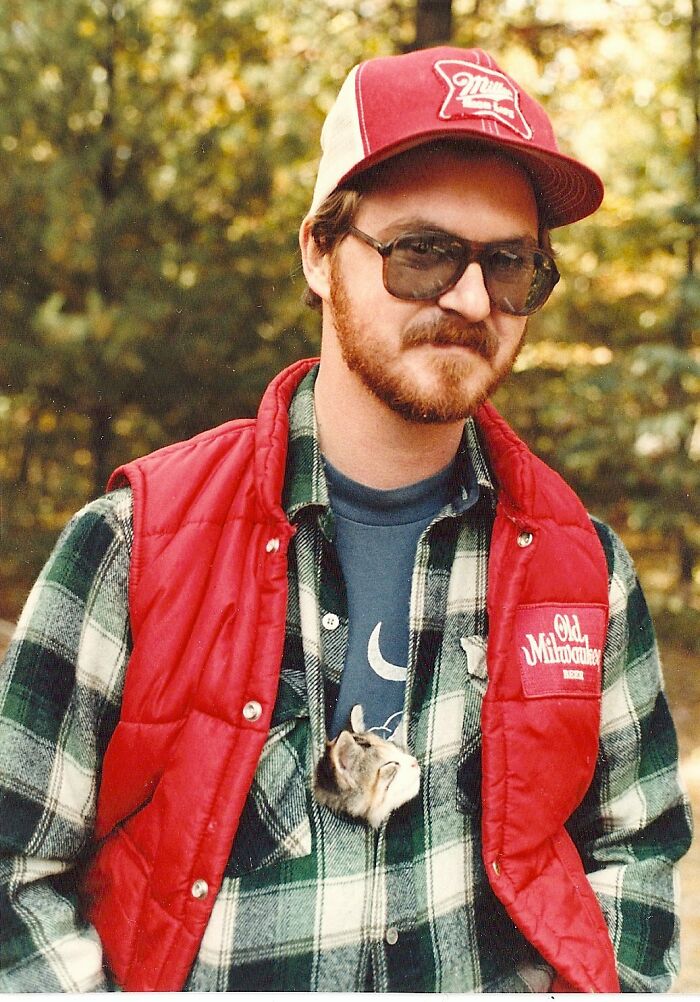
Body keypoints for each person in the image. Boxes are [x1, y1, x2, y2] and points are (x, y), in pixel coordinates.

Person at [0, 46, 692, 994]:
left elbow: (634, 854)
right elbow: (14, 874)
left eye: (511, 265)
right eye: (422, 253)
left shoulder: (587, 574)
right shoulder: (135, 544)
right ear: (319, 253)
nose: (471, 299)